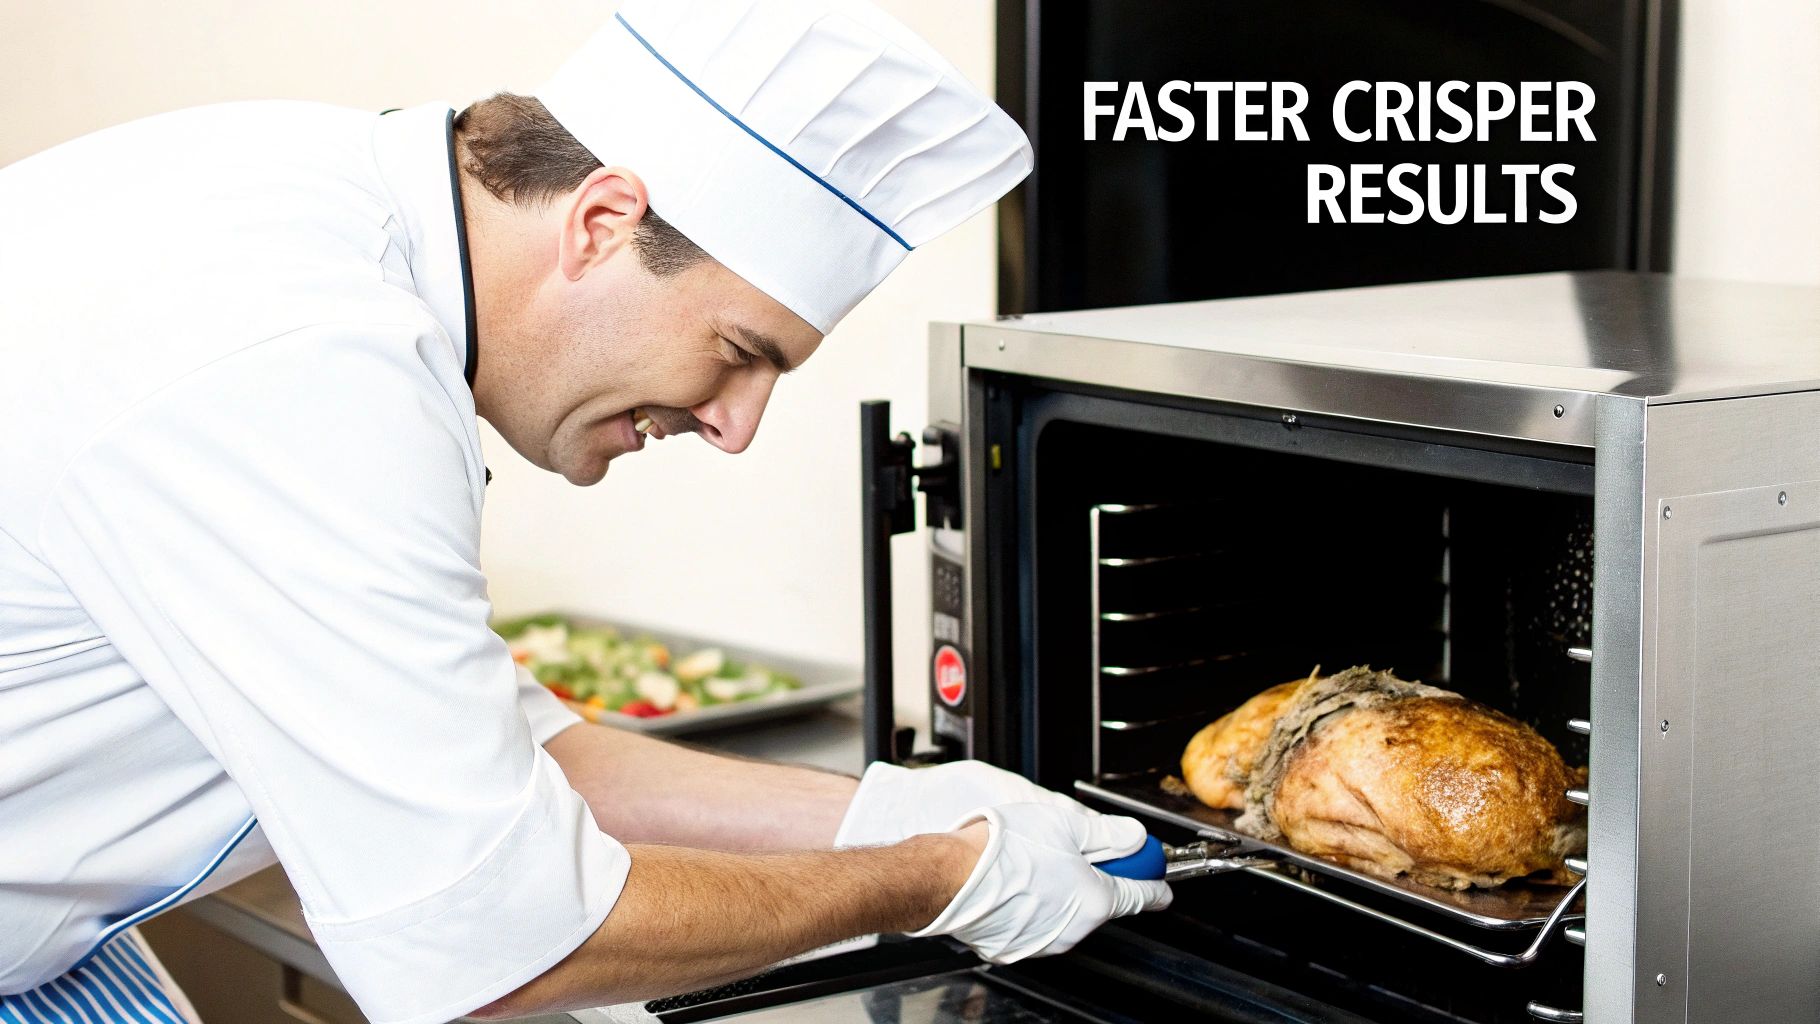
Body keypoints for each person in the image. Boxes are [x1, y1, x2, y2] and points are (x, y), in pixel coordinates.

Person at [0, 2, 1173, 1022]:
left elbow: (521, 755)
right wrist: (932, 880)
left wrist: (882, 810)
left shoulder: (321, 207)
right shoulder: (306, 365)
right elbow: (495, 944)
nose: (735, 426)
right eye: (738, 351)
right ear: (601, 221)